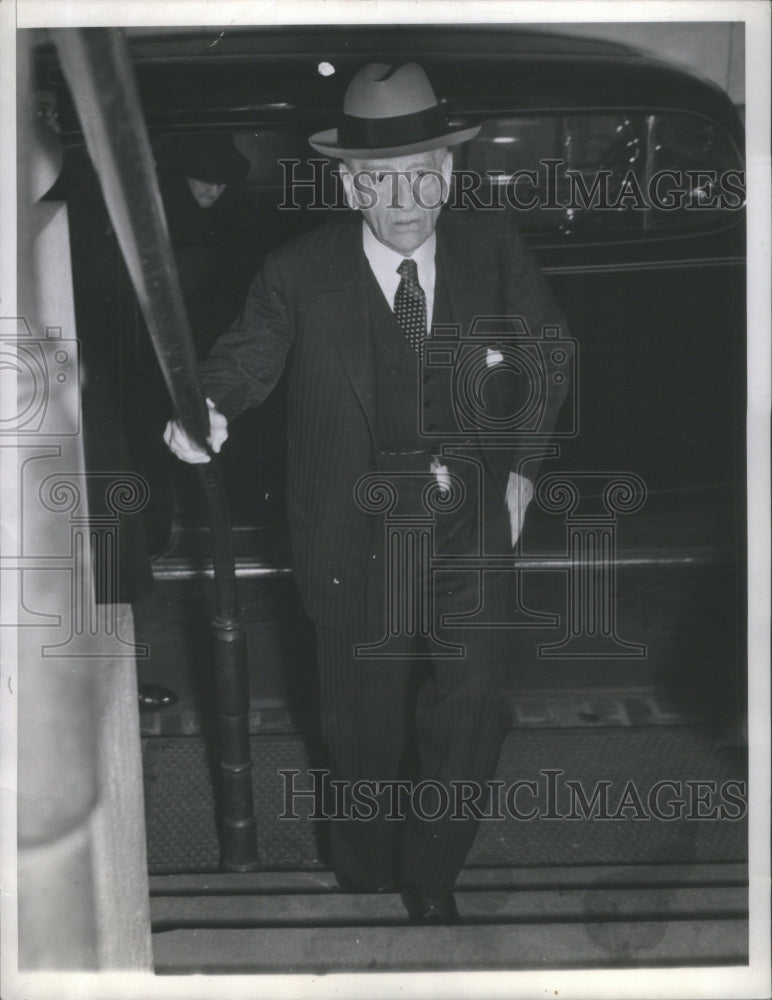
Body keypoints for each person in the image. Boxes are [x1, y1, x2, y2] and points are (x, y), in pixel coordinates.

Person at [165, 62, 569, 922]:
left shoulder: (491, 250)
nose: (410, 197)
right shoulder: (298, 272)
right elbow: (246, 357)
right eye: (385, 179)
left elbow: (546, 356)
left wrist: (524, 473)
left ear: (451, 173)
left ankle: (429, 879)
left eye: (427, 173)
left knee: (473, 712)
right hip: (351, 538)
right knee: (361, 736)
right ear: (351, 184)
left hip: (468, 523)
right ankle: (364, 870)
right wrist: (204, 405)